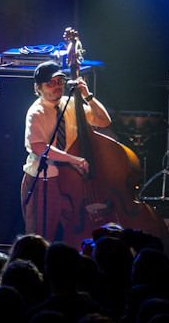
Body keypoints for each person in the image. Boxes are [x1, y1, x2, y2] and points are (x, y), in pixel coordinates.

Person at [20, 61, 110, 246]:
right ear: (38, 87)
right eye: (50, 83)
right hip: (45, 180)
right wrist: (72, 159)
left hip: (71, 179)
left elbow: (104, 121)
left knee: (76, 227)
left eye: (59, 81)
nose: (57, 86)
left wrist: (88, 96)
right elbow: (37, 146)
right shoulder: (36, 112)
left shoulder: (70, 105)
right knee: (41, 238)